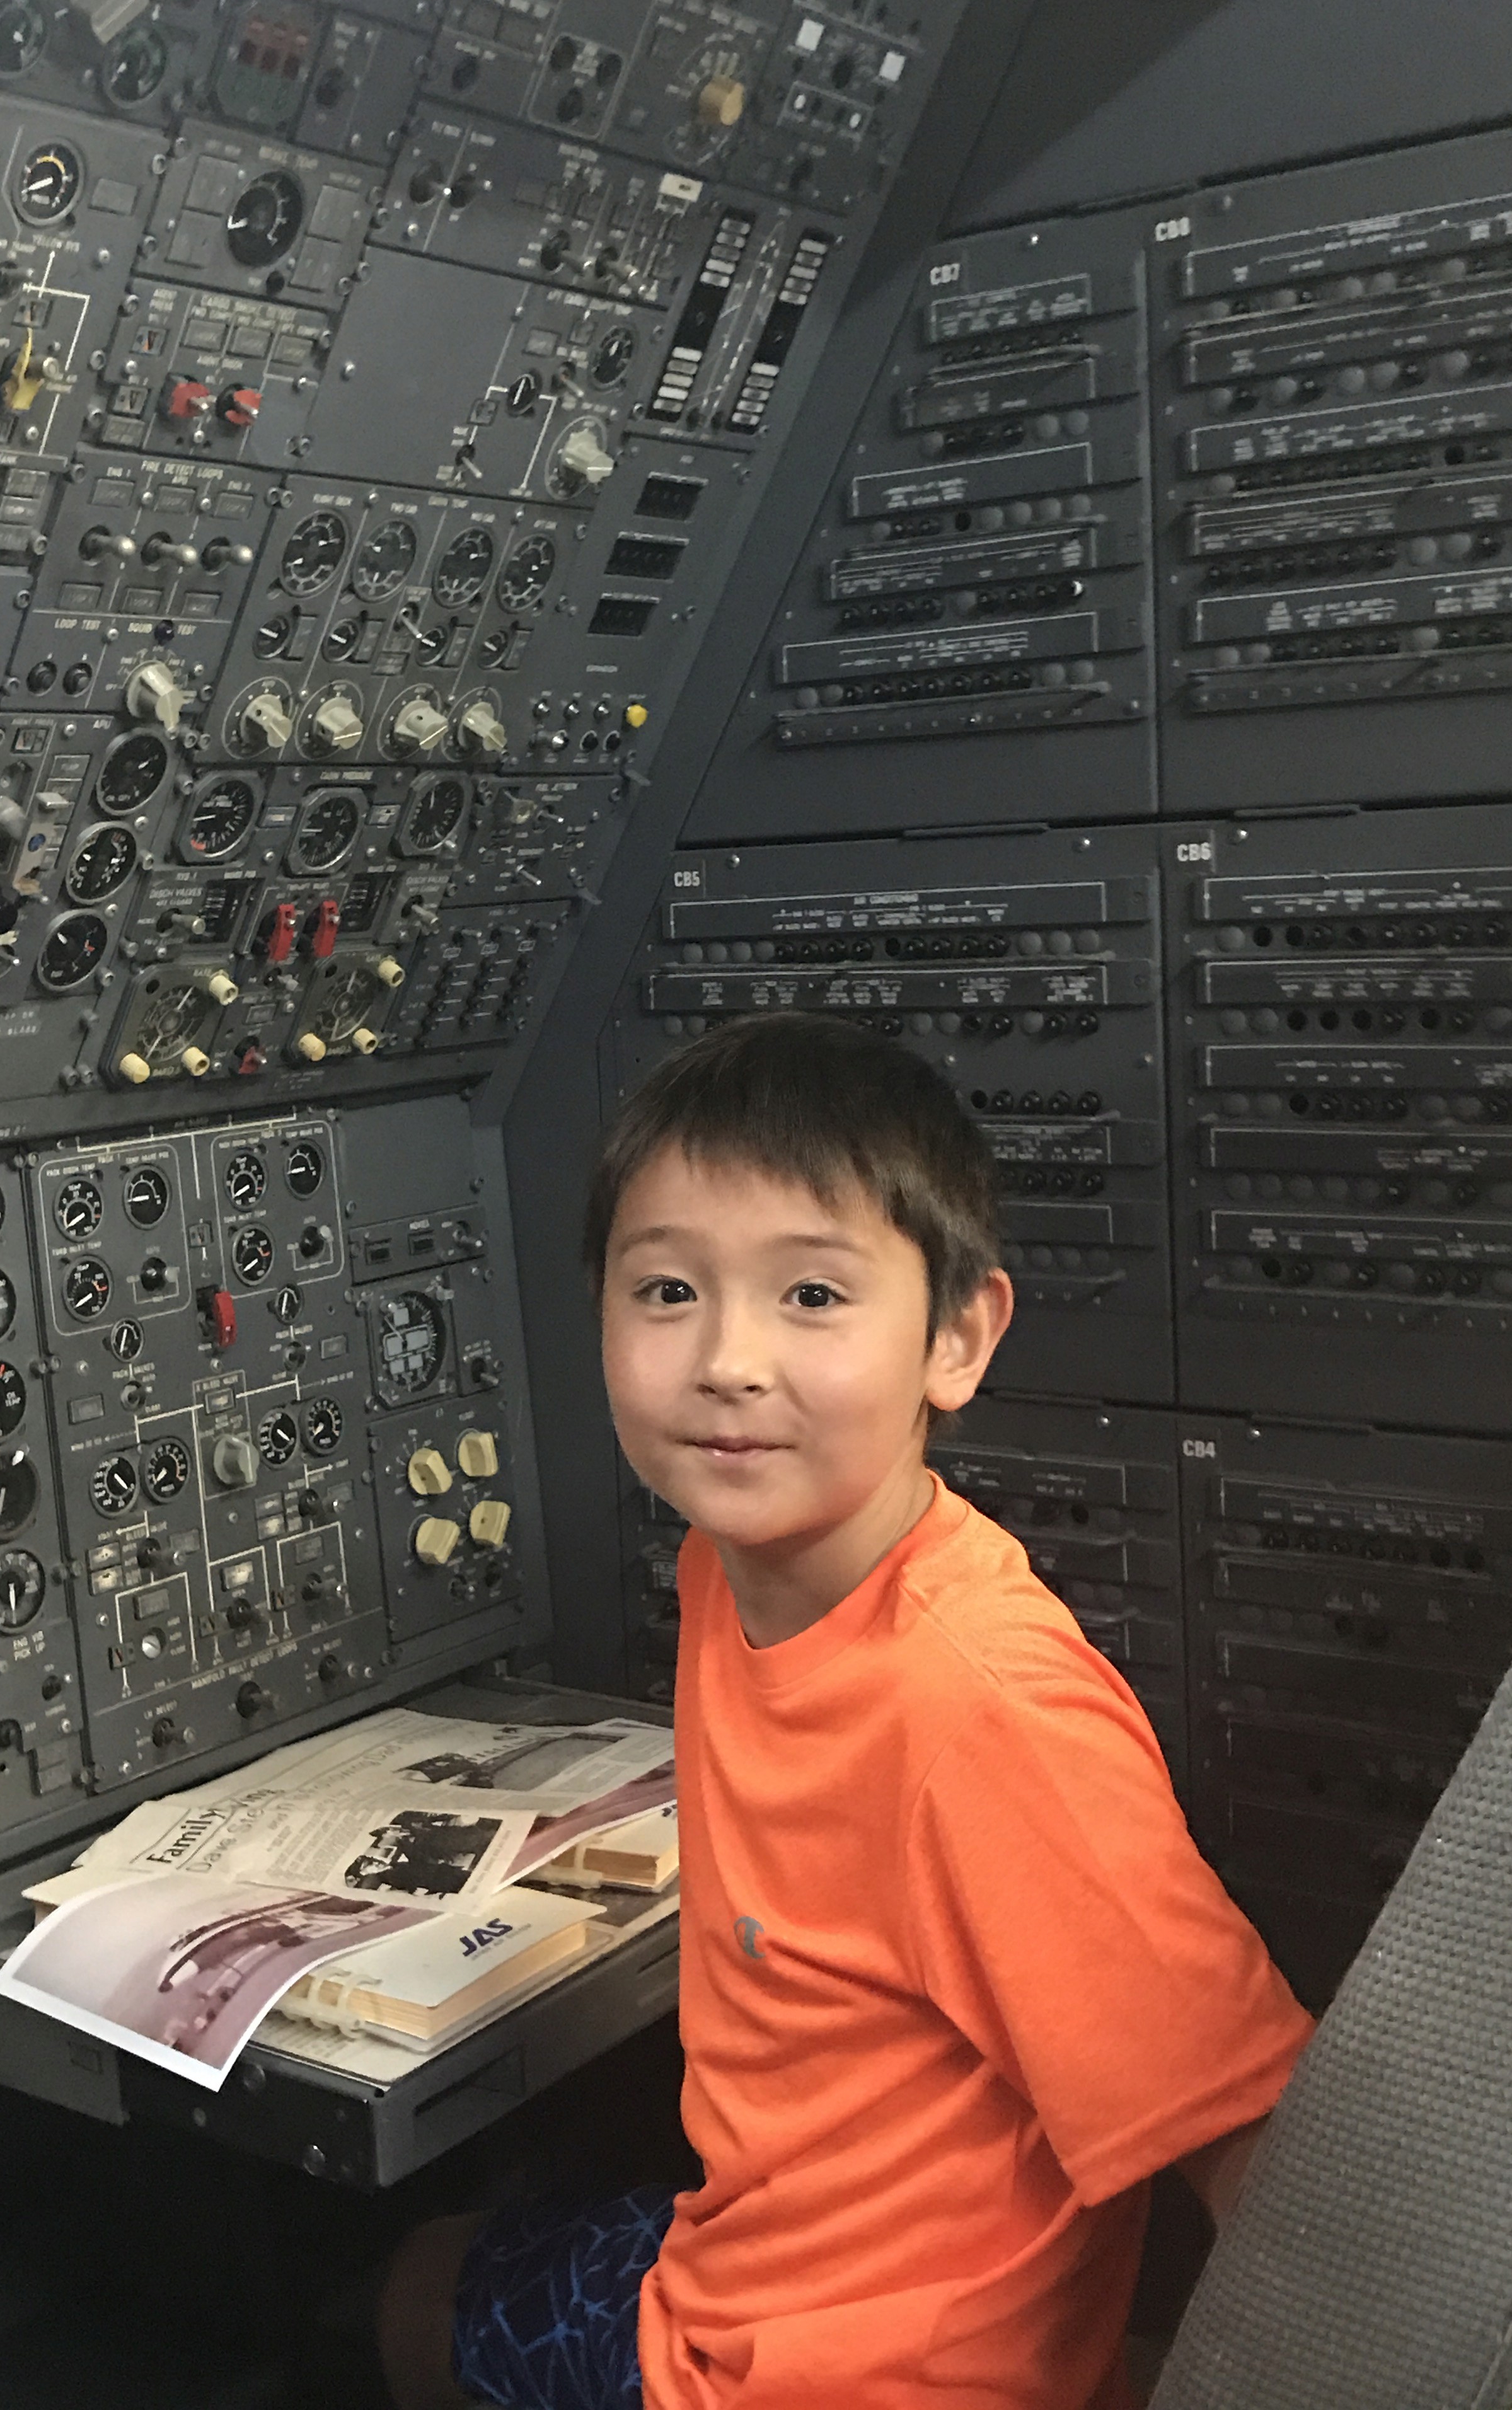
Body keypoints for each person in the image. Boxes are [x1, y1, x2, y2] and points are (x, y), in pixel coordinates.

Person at [378, 1013, 1313, 2410]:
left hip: (853, 2375)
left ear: (958, 1336)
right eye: (668, 1291)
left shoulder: (985, 1715)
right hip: (762, 2263)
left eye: (811, 1295)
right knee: (514, 2209)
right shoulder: (729, 1562)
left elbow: (1266, 2146)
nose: (728, 1359)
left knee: (403, 2292)